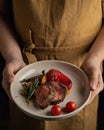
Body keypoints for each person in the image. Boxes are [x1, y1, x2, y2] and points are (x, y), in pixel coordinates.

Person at [0, 0, 104, 130]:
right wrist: (12, 56)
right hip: (24, 68)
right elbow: (1, 13)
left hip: (83, 68)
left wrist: (95, 58)